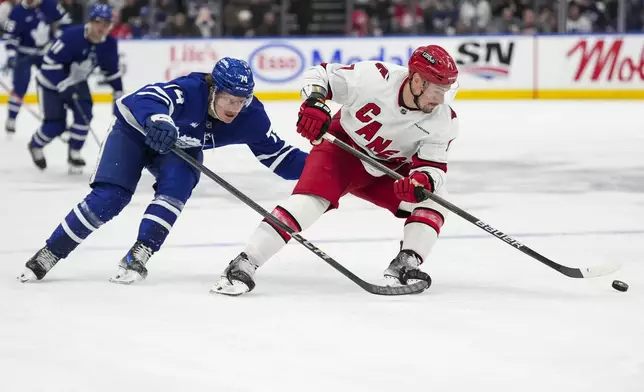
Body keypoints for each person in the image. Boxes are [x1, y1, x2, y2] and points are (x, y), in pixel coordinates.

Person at [17, 57, 308, 284]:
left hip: (178, 149)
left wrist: (324, 166)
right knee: (111, 197)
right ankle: (51, 252)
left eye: (241, 100)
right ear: (213, 91)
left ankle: (140, 252)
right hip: (133, 134)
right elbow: (144, 99)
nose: (235, 107)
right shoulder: (189, 90)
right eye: (229, 99)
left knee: (178, 186)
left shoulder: (251, 117)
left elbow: (279, 158)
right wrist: (159, 119)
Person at [212, 45, 459, 296]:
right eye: (437, 90)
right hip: (342, 152)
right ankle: (244, 263)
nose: (440, 99)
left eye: (445, 90)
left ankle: (406, 263)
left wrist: (422, 181)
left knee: (437, 201)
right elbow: (320, 75)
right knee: (307, 203)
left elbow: (434, 166)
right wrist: (314, 103)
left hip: (388, 169)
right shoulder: (374, 77)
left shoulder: (443, 119)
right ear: (417, 80)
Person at [28, 2, 123, 173]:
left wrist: (118, 92)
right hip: (50, 83)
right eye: (98, 22)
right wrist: (62, 85)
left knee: (85, 114)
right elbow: (49, 64)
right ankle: (35, 145)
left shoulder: (109, 44)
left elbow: (111, 71)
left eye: (106, 23)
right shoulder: (71, 36)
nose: (102, 27)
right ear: (91, 22)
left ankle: (74, 153)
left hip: (76, 82)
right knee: (56, 125)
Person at [2, 0, 69, 135]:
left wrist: (57, 38)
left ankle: (55, 120)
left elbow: (66, 22)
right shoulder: (17, 12)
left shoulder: (51, 5)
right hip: (24, 54)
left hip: (45, 53)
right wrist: (11, 56)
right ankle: (11, 117)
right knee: (20, 88)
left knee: (52, 84)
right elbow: (10, 36)